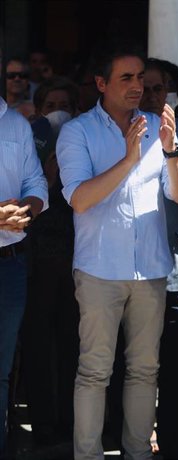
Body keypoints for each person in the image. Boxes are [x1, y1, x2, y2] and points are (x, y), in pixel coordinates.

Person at [56, 44, 178, 459]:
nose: (138, 87)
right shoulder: (77, 132)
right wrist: (131, 158)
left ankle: (137, 453)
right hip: (99, 268)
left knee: (144, 371)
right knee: (95, 371)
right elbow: (79, 199)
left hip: (151, 269)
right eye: (126, 79)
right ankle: (88, 455)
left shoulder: (157, 126)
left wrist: (169, 150)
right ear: (101, 84)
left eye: (141, 78)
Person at [140, 57, 178, 459]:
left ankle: (176, 442)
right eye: (140, 86)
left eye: (158, 88)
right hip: (124, 269)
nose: (147, 95)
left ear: (173, 94)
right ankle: (131, 435)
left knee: (175, 362)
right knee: (132, 363)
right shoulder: (112, 132)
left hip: (176, 264)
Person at [22, 76, 80, 448]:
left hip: (78, 257)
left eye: (64, 106)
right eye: (50, 106)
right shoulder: (31, 143)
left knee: (74, 344)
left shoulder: (82, 142)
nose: (57, 113)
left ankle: (73, 422)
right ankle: (42, 423)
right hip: (38, 258)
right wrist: (47, 174)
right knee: (39, 344)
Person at [0, 95, 48, 458]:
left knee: (2, 371)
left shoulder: (15, 123)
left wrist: (27, 210)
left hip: (10, 262)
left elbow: (36, 182)